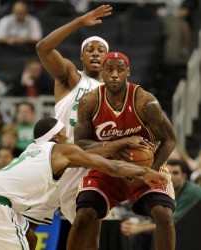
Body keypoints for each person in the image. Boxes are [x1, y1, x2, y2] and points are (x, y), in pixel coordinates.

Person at [20, 4, 117, 248]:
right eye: (90, 50)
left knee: (90, 234)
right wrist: (79, 22)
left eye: (101, 50)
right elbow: (43, 47)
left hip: (87, 165)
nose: (95, 54)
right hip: (55, 160)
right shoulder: (71, 77)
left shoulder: (118, 96)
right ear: (82, 57)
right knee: (20, 224)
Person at [0, 117, 165, 249]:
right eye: (64, 132)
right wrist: (144, 171)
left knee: (30, 237)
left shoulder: (32, 150)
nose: (67, 136)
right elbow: (110, 166)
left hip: (0, 199)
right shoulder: (62, 150)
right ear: (57, 136)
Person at [66, 52, 177, 250]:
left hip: (146, 165)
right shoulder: (89, 102)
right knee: (83, 216)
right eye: (109, 70)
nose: (115, 75)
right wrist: (116, 146)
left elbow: (170, 139)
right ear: (102, 72)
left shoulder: (145, 102)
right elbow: (80, 144)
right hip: (106, 168)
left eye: (120, 70)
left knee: (164, 215)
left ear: (128, 72)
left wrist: (149, 170)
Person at [120, 159, 201, 250]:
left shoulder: (192, 192)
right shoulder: (169, 189)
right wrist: (136, 226)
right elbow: (156, 220)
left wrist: (138, 229)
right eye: (169, 173)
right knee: (140, 235)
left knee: (155, 234)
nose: (171, 177)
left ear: (184, 175)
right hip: (184, 229)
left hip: (192, 234)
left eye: (175, 173)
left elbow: (172, 222)